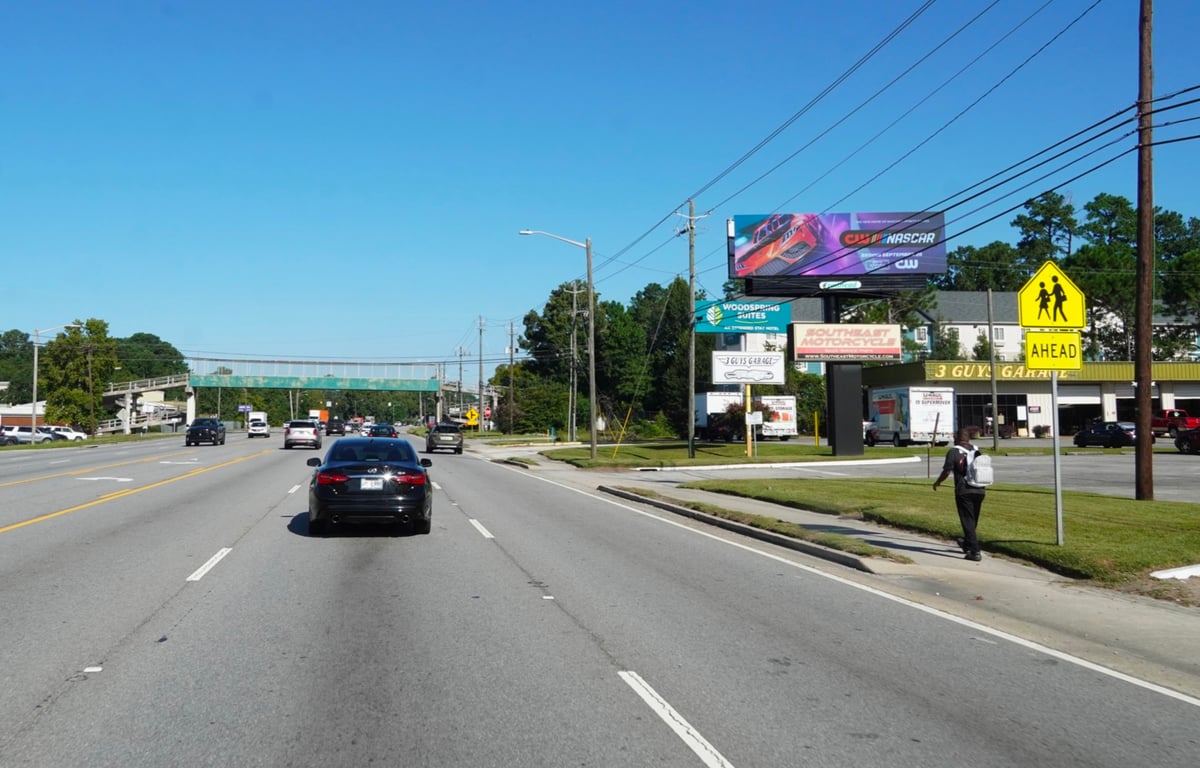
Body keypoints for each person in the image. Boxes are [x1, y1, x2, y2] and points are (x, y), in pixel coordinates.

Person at [932, 428, 985, 561]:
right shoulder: (977, 451)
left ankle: (975, 551)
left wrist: (938, 482)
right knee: (972, 520)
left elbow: (947, 470)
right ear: (968, 438)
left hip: (964, 490)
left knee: (967, 521)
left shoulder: (954, 451)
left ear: (957, 438)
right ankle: (967, 543)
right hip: (980, 489)